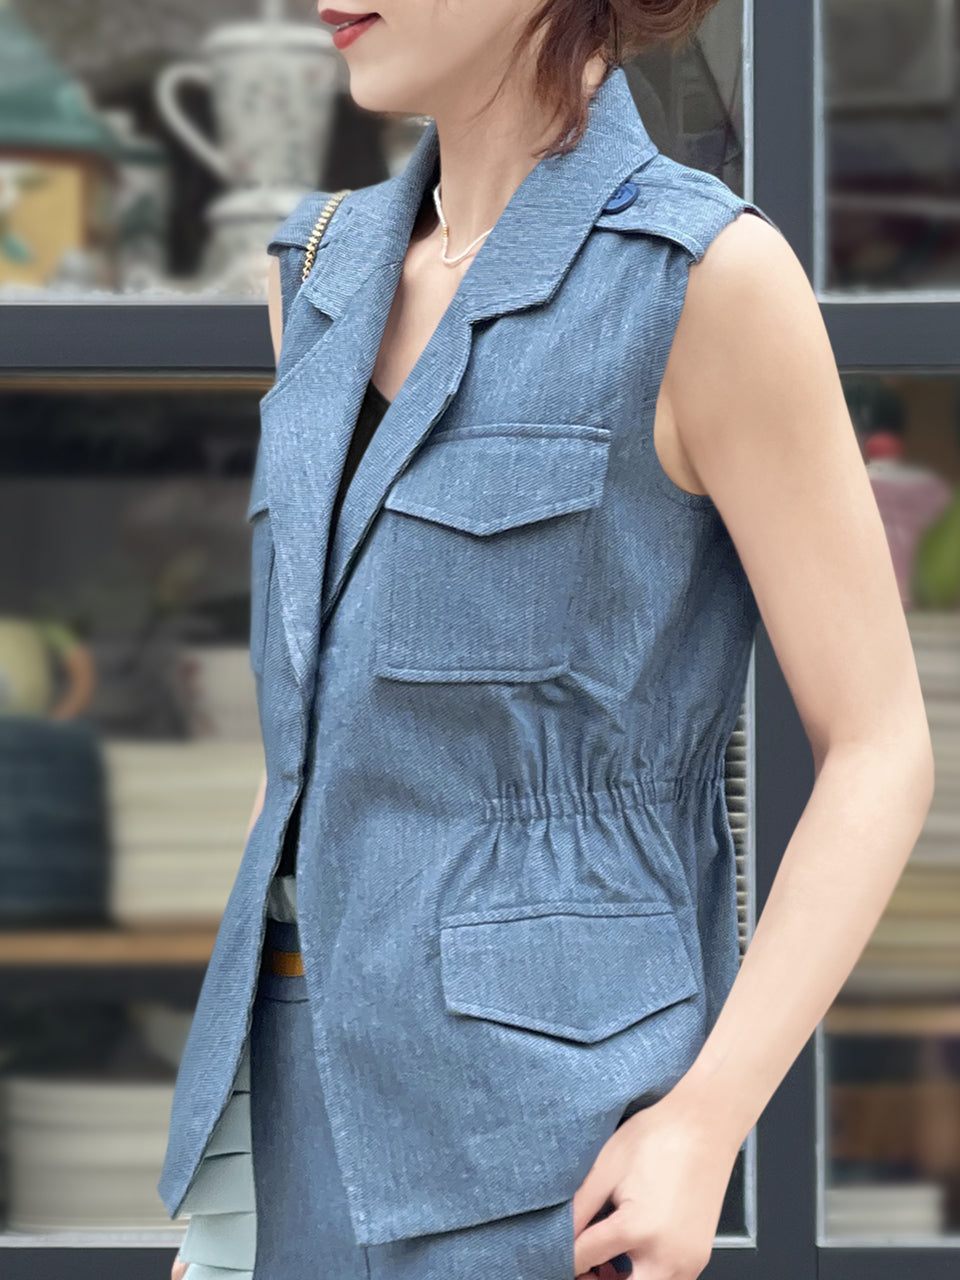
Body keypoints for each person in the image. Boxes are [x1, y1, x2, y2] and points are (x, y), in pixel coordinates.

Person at [163, 1, 935, 1278]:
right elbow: (303, 741)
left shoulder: (704, 279)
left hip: (547, 1148)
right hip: (287, 1094)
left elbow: (879, 743)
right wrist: (226, 1173)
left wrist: (707, 1117)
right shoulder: (318, 273)